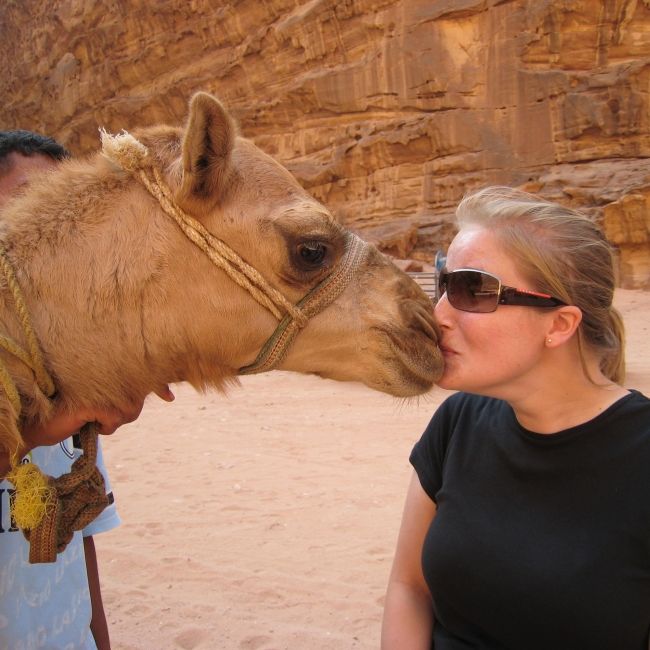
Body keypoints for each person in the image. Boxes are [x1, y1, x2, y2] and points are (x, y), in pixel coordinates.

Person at [381, 186, 650, 649]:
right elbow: (410, 588)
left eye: (473, 290)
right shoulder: (458, 421)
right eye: (444, 284)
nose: (437, 314)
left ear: (560, 325)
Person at [0, 130, 172, 649]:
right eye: (31, 202)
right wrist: (46, 428)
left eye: (67, 212)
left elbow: (79, 536)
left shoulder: (61, 368)